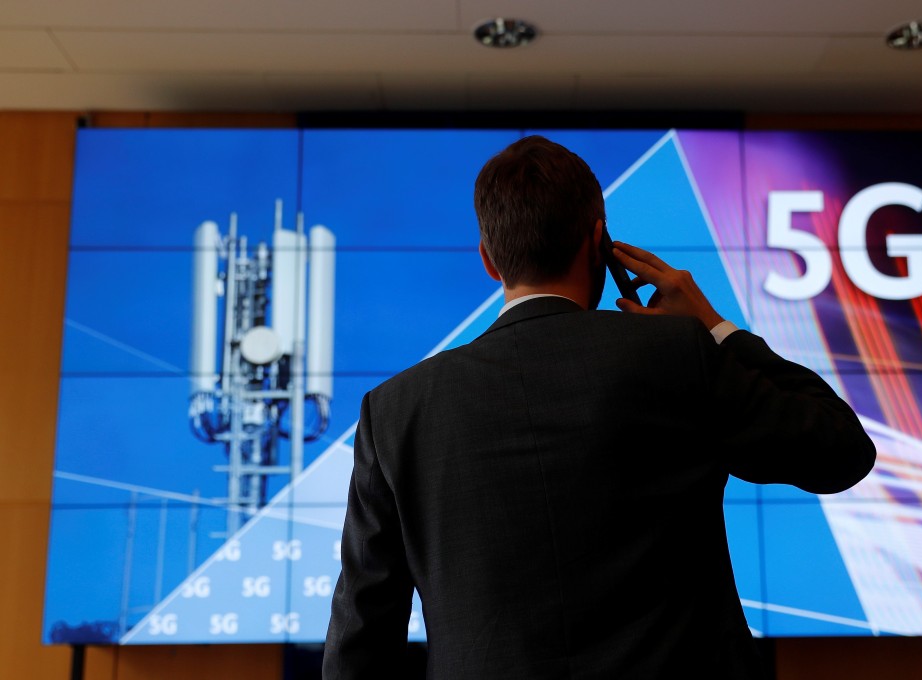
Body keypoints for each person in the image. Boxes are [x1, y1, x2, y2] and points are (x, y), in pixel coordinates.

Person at [323, 136, 876, 679]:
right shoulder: (678, 355)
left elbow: (361, 641)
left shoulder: (395, 412)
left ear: (490, 261)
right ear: (599, 241)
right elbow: (840, 451)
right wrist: (714, 326)